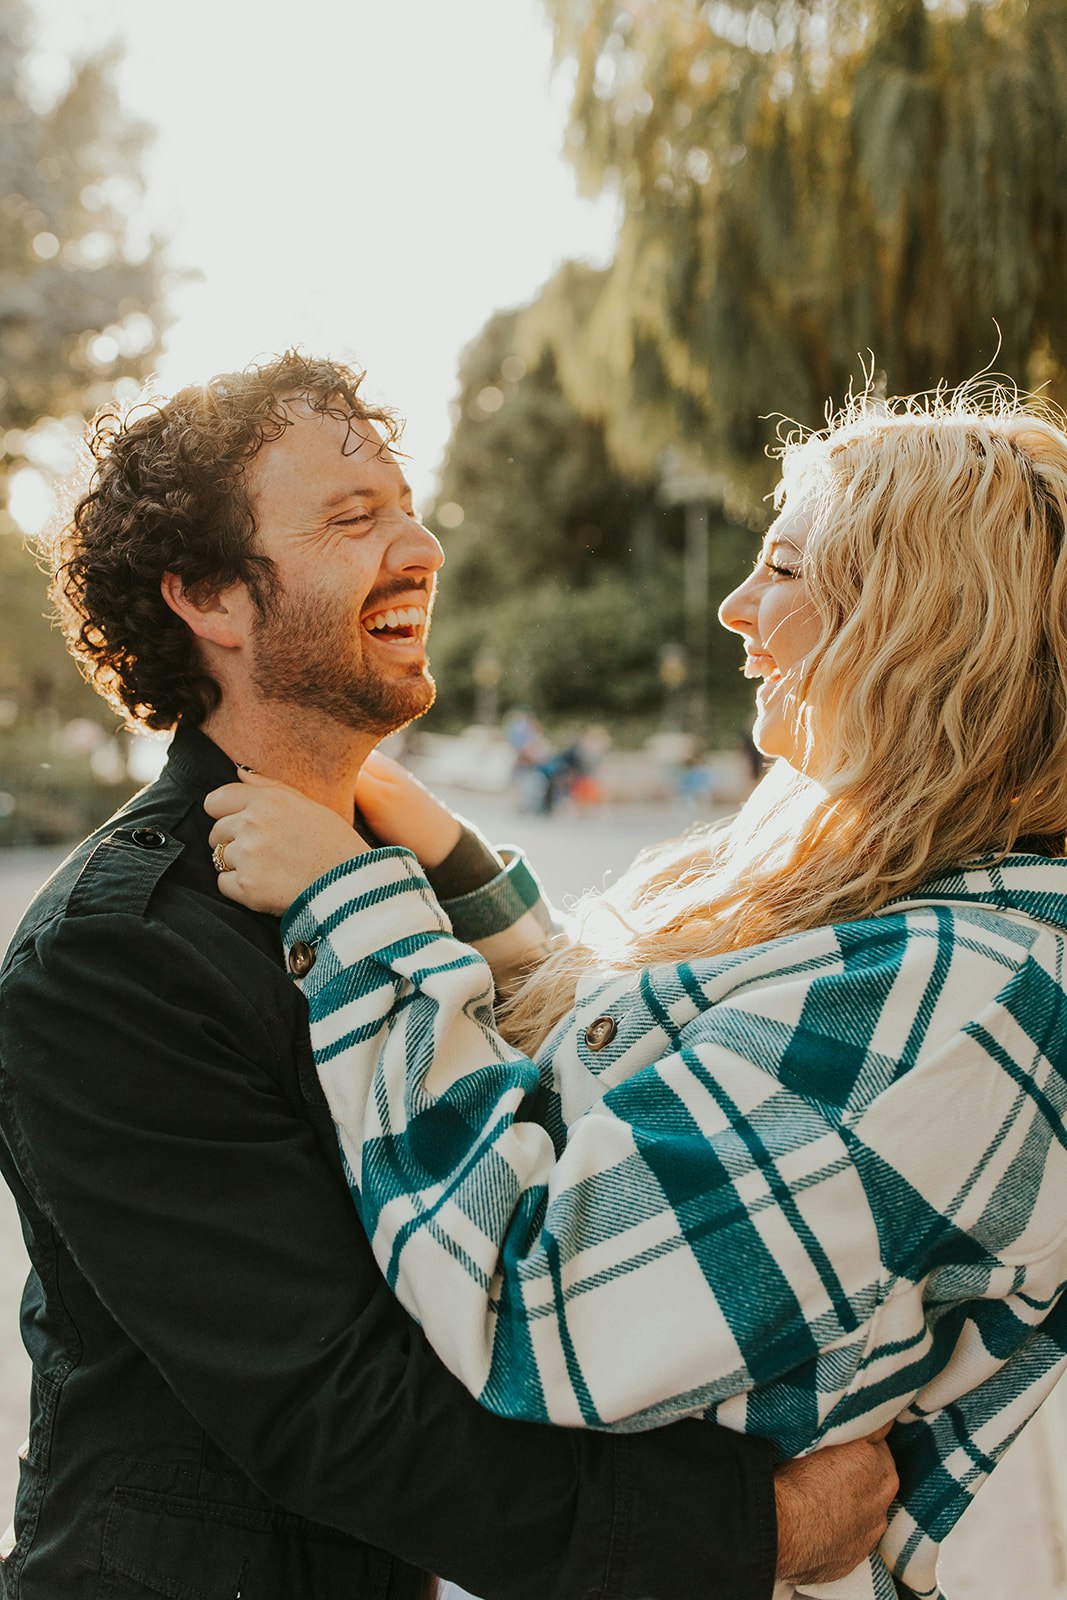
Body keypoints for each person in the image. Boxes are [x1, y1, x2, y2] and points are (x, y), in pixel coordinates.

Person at [0, 351, 893, 1600]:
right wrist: (759, 1525)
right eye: (353, 517)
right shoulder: (114, 956)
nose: (419, 545)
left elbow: (580, 1122)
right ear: (208, 594)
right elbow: (346, 1414)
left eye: (410, 509)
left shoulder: (392, 878)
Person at [208, 387, 1067, 1600]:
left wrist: (362, 923)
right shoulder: (928, 926)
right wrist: (452, 868)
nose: (733, 605)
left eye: (781, 565)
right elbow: (663, 1093)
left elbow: (535, 1298)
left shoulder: (963, 996)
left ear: (914, 623)